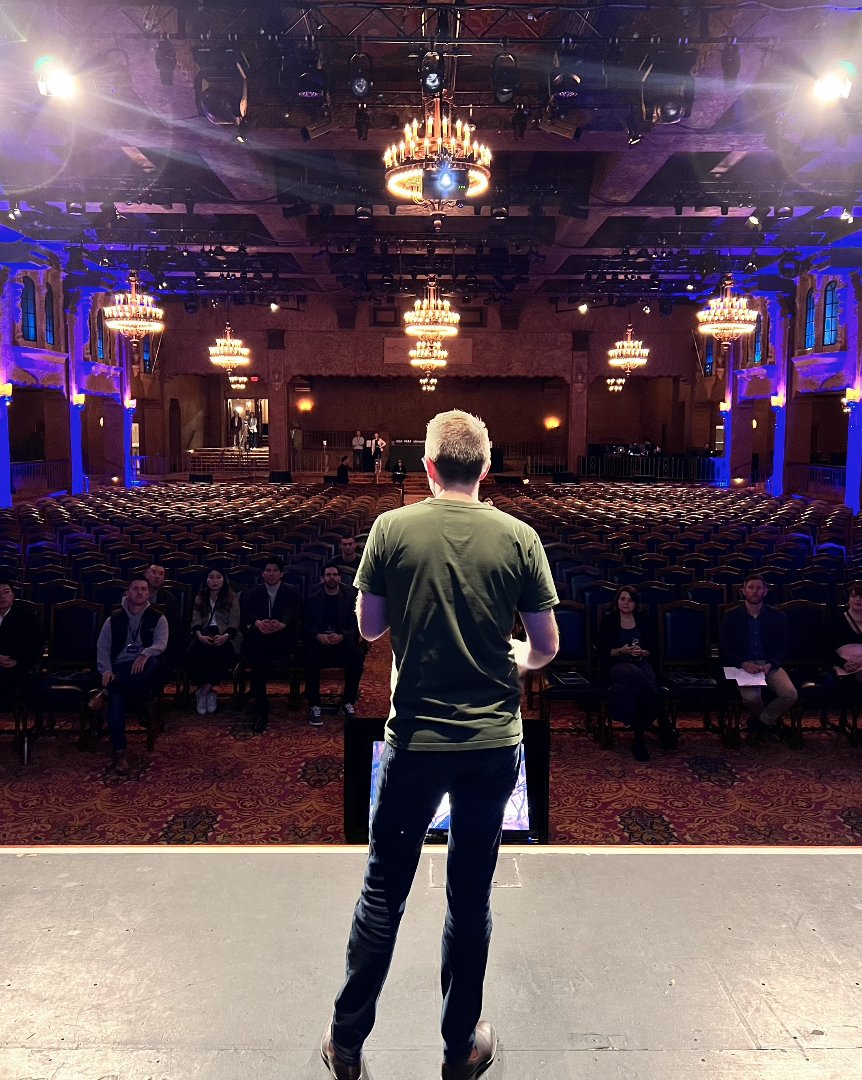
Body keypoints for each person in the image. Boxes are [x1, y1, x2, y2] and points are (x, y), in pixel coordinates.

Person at [321, 409, 559, 1080]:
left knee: (381, 895)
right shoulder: (520, 536)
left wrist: (416, 605)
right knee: (470, 897)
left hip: (415, 744)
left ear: (427, 468)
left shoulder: (391, 528)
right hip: (491, 747)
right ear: (487, 467)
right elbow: (545, 649)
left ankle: (346, 1041)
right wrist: (512, 650)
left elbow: (370, 630)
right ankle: (460, 1049)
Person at [96, 575, 169, 773]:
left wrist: (145, 654)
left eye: (144, 589)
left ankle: (112, 687)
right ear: (128, 592)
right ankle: (119, 750)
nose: (139, 592)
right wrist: (107, 670)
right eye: (135, 588)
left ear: (149, 593)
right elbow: (102, 648)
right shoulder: (114, 619)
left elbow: (161, 644)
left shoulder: (158, 616)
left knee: (155, 662)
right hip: (120, 668)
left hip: (145, 669)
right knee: (117, 699)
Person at [720, 573, 797, 740]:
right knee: (751, 699)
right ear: (744, 591)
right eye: (751, 587)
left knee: (790, 694)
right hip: (744, 665)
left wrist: (771, 664)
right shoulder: (731, 615)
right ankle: (767, 725)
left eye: (759, 588)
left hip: (769, 664)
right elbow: (726, 648)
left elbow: (784, 646)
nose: (755, 591)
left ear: (765, 591)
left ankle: (759, 724)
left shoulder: (777, 615)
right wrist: (742, 663)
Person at [597, 585, 665, 761]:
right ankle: (662, 719)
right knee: (639, 678)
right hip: (618, 664)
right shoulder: (609, 621)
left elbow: (653, 650)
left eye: (630, 600)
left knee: (638, 688)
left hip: (642, 663)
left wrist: (643, 652)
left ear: (636, 603)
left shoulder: (644, 621)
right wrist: (621, 650)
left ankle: (639, 738)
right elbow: (603, 652)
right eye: (623, 599)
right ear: (617, 601)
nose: (626, 603)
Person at [241, 557, 301, 732]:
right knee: (256, 652)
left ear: (281, 574)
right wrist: (259, 623)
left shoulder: (292, 591)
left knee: (259, 651)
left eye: (275, 570)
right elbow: (249, 614)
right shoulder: (253, 592)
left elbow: (294, 613)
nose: (271, 573)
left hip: (283, 636)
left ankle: (261, 702)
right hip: (261, 635)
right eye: (268, 570)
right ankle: (262, 707)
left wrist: (282, 623)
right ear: (262, 574)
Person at [304, 563, 364, 727]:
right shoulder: (313, 598)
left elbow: (356, 624)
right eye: (328, 575)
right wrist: (318, 635)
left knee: (357, 658)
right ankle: (315, 705)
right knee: (309, 658)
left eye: (335, 575)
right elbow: (306, 623)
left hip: (341, 641)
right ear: (322, 578)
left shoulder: (350, 597)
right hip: (320, 641)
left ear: (339, 577)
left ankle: (348, 702)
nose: (332, 578)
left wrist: (343, 636)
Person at [187, 568, 241, 715]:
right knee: (199, 652)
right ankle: (210, 693)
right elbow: (195, 620)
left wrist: (225, 637)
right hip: (203, 634)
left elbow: (234, 623)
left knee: (221, 653)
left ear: (224, 580)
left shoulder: (232, 597)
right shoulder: (200, 597)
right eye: (211, 577)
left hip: (226, 635)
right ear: (206, 580)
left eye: (218, 577)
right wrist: (199, 636)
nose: (215, 581)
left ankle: (203, 692)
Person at [0, 577, 43, 703]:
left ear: (13, 596)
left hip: (18, 665)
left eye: (6, 592)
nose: (2, 596)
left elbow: (35, 647)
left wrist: (16, 661)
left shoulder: (27, 617)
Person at [829, 581, 862, 720]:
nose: (858, 599)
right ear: (848, 599)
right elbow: (827, 649)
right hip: (845, 666)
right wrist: (844, 663)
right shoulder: (836, 620)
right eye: (854, 596)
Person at [143, 562, 182, 668]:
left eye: (161, 574)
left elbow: (174, 623)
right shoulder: (133, 594)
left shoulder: (169, 598)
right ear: (146, 575)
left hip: (160, 640)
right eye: (154, 572)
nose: (157, 576)